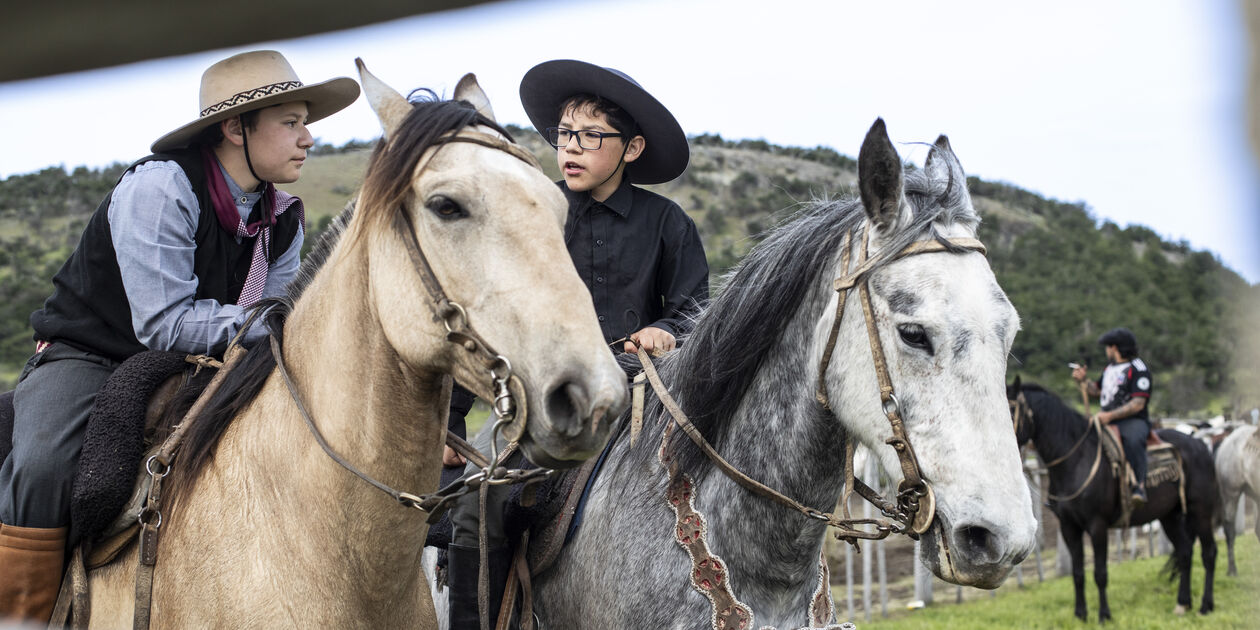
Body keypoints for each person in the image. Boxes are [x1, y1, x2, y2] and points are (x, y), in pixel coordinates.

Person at [0, 50, 358, 623]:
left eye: (305, 122)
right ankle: (20, 615)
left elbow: (280, 318)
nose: (309, 138)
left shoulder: (283, 216)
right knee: (42, 464)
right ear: (235, 127)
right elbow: (165, 323)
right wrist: (282, 323)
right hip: (91, 354)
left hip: (208, 359)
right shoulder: (162, 186)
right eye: (291, 123)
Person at [443, 59, 709, 629]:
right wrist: (450, 421)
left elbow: (694, 312)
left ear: (631, 148)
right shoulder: (531, 213)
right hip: (539, 403)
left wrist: (668, 331)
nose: (573, 148)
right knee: (478, 503)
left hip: (646, 403)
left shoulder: (669, 224)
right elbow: (477, 315)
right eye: (566, 134)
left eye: (592, 137)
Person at [1071, 327, 1154, 506]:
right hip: (1105, 419)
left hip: (1132, 420)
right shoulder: (1109, 369)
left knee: (1133, 440)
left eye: (1107, 347)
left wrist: (1109, 415)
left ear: (1114, 348)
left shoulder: (1138, 368)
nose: (1106, 351)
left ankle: (1139, 485)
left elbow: (1138, 403)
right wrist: (1084, 381)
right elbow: (1097, 390)